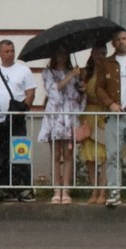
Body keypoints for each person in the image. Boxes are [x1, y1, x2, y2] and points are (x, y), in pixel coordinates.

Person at [82, 32, 126, 207]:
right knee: (112, 155)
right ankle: (114, 192)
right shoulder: (108, 63)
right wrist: (110, 103)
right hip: (114, 116)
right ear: (113, 44)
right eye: (118, 39)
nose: (122, 42)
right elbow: (99, 88)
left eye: (124, 38)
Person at [0, 39, 35, 199]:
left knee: (21, 153)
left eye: (12, 51)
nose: (10, 54)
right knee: (4, 155)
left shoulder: (24, 70)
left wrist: (24, 108)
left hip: (17, 120)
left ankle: (26, 188)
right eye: (6, 51)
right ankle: (9, 188)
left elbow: (30, 92)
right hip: (1, 121)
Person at [39, 51, 84, 204]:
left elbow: (77, 97)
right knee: (56, 155)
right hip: (55, 115)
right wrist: (70, 76)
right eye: (59, 53)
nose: (61, 57)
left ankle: (66, 189)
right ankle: (56, 189)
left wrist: (81, 90)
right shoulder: (48, 72)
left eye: (64, 53)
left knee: (68, 155)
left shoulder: (74, 72)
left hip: (69, 114)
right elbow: (53, 91)